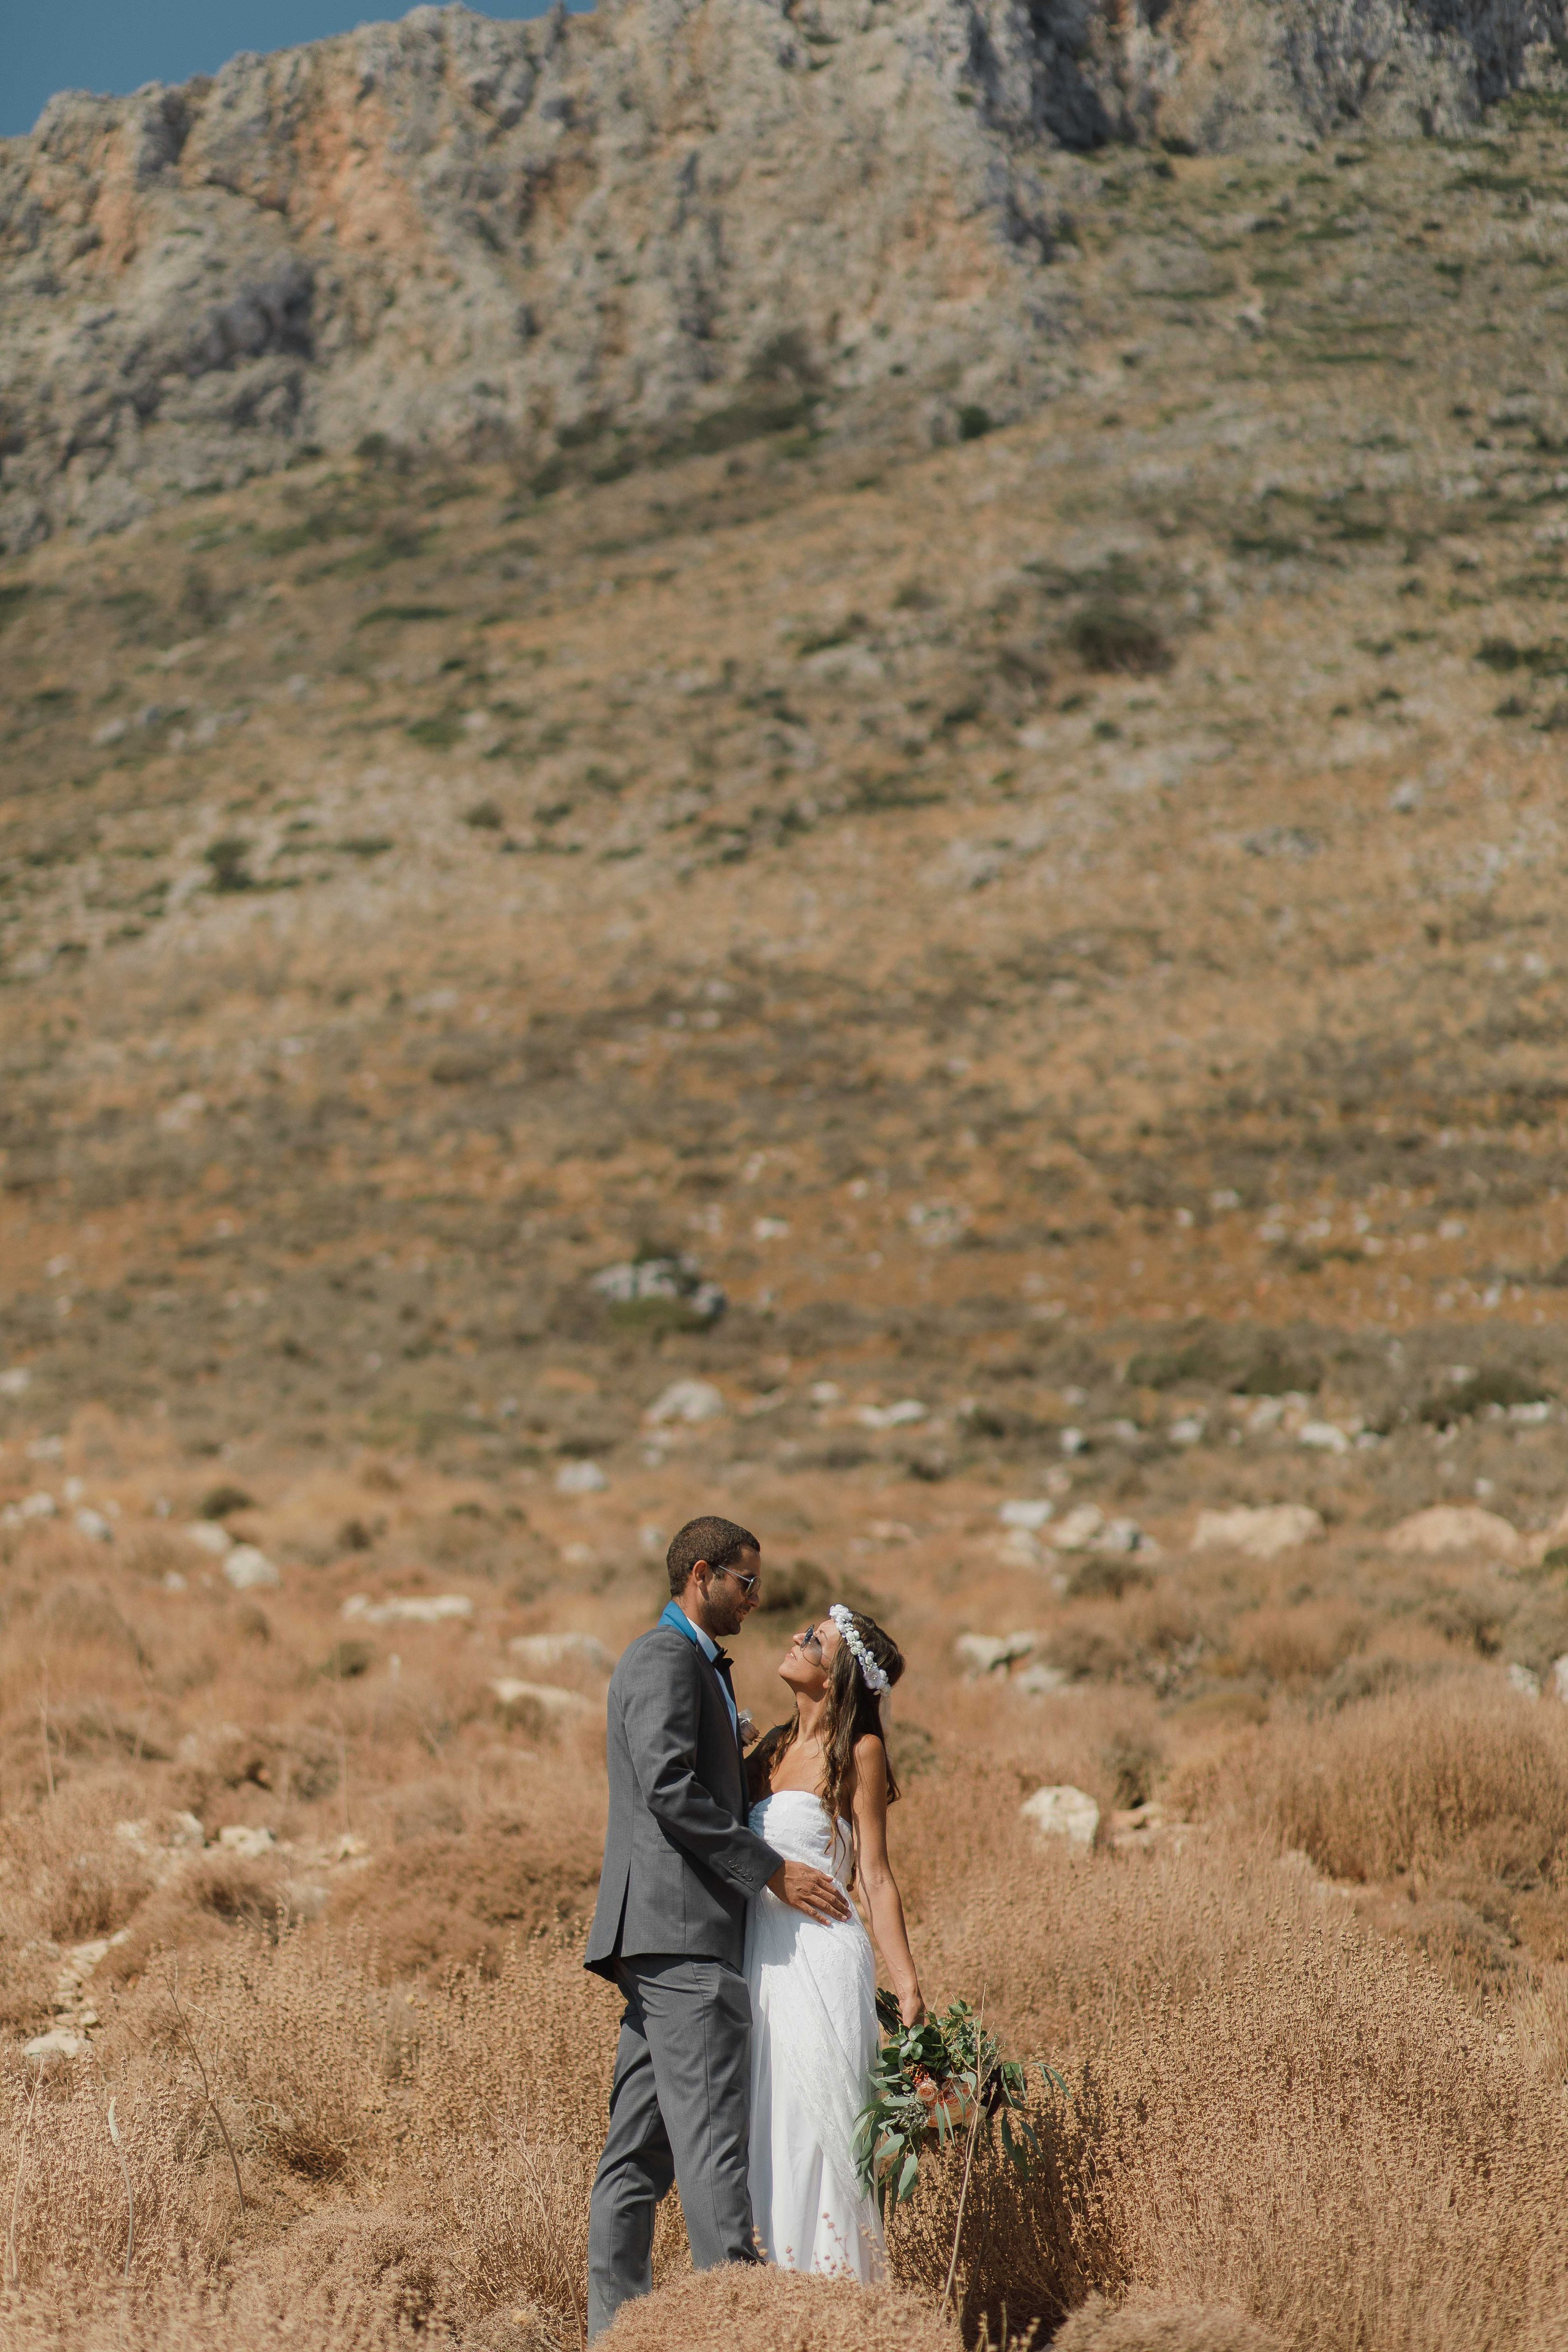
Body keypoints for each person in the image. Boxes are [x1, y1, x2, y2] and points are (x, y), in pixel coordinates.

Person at [584, 1517, 851, 2341]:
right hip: (684, 1933)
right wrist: (770, 1870)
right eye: (746, 1582)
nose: (756, 1599)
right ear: (703, 1575)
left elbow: (687, 1778)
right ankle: (737, 2328)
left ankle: (615, 2336)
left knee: (637, 2156)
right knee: (711, 2151)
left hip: (664, 1939)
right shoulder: (666, 1657)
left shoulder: (693, 1663)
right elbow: (668, 1787)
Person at [744, 1605, 922, 2282]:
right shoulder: (770, 1748)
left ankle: (832, 2299)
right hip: (760, 1959)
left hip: (820, 1959)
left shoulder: (860, 1752)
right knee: (763, 2125)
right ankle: (768, 2296)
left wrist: (907, 1986)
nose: (797, 1638)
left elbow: (874, 1874)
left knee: (811, 2128)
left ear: (838, 1674)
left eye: (814, 1640)